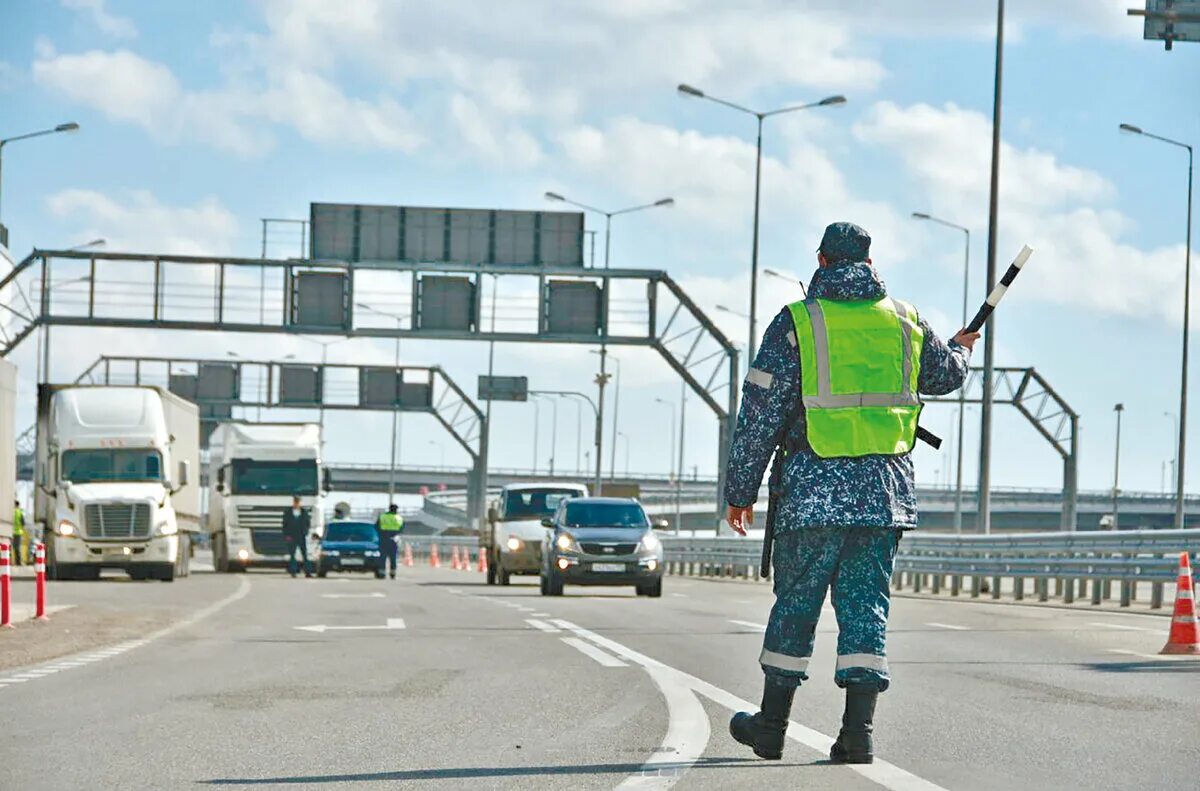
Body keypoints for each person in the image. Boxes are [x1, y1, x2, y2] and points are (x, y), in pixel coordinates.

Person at [725, 222, 978, 764]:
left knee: (796, 604)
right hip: (883, 498)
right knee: (866, 610)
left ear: (821, 261)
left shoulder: (797, 323)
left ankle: (771, 727)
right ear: (869, 261)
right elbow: (943, 375)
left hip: (813, 496)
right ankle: (857, 736)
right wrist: (961, 350)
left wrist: (740, 491)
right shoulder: (906, 321)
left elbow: (760, 416)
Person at [281, 494, 313, 578]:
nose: (297, 503)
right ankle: (293, 572)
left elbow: (307, 523)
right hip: (291, 536)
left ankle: (308, 572)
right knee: (292, 555)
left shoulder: (304, 512)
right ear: (293, 502)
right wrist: (286, 535)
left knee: (305, 555)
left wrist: (306, 532)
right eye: (295, 501)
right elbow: (284, 525)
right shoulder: (288, 512)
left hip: (301, 536)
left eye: (298, 501)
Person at [376, 503, 404, 579]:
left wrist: (381, 535)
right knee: (393, 558)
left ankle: (382, 573)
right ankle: (393, 573)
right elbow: (402, 529)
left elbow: (377, 527)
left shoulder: (382, 517)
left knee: (382, 557)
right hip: (394, 540)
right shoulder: (399, 518)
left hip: (384, 539)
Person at [12, 499, 25, 566]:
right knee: (17, 548)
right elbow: (23, 523)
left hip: (12, 532)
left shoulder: (12, 512)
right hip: (19, 532)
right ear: (18, 505)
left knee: (12, 547)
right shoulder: (20, 512)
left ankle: (11, 561)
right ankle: (18, 562)